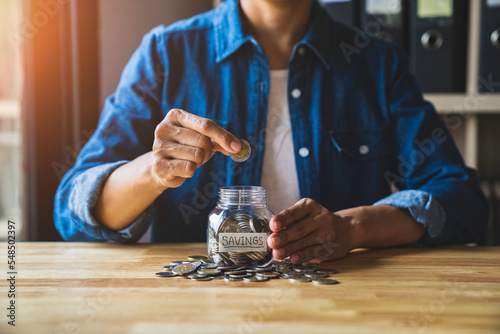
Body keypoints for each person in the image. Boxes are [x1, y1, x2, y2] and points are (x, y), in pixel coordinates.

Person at [54, 0, 488, 264]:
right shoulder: (166, 53)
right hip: (197, 315)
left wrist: (353, 228)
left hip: (348, 311)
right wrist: (153, 172)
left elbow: (462, 200)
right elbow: (72, 211)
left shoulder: (377, 63)